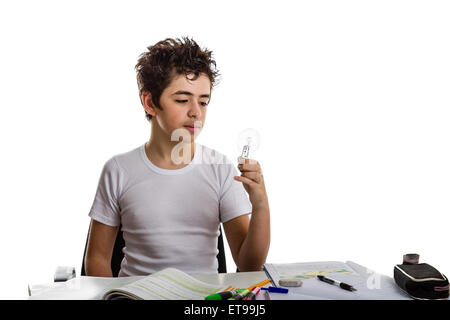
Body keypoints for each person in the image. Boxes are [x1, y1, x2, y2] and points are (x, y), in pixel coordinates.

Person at [84, 37, 270, 277]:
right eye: (182, 100)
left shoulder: (220, 168)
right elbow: (97, 259)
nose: (196, 112)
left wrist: (261, 203)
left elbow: (249, 266)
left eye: (203, 102)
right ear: (150, 102)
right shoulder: (118, 170)